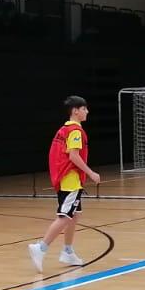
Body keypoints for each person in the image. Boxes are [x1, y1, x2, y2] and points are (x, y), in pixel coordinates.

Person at [30, 95, 101, 273]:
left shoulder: (64, 129)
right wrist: (91, 173)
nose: (87, 111)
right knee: (65, 216)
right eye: (84, 108)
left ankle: (68, 251)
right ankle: (41, 248)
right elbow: (73, 156)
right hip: (70, 180)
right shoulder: (75, 131)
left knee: (75, 214)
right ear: (75, 111)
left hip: (67, 179)